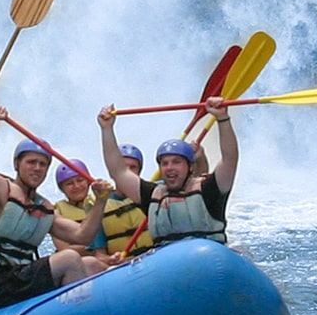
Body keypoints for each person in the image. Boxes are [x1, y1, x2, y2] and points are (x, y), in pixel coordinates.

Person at [0, 107, 110, 309]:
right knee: (70, 258)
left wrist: (100, 200)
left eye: (42, 164)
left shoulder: (44, 208)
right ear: (17, 164)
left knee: (91, 264)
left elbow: (84, 236)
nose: (37, 168)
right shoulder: (0, 189)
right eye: (31, 162)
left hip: (19, 277)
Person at [98, 97, 236, 246]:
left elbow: (230, 158)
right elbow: (118, 172)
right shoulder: (152, 194)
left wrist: (222, 119)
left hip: (208, 252)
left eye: (176, 162)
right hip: (166, 255)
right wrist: (107, 129)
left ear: (190, 167)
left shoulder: (210, 188)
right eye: (164, 163)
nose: (169, 167)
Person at [99, 143, 152, 256]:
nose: (128, 172)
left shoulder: (154, 194)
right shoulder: (99, 206)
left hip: (155, 256)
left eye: (133, 167)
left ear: (139, 171)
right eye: (123, 167)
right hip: (125, 264)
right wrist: (110, 260)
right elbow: (100, 255)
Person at [49, 159, 107, 257]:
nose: (76, 186)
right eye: (69, 183)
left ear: (88, 182)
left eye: (80, 180)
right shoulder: (57, 213)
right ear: (62, 188)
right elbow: (64, 249)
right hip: (79, 262)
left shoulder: (104, 203)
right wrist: (96, 247)